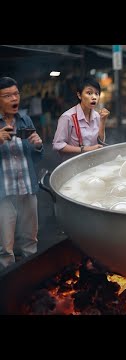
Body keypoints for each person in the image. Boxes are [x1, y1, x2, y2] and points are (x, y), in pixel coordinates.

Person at [0, 77, 44, 271]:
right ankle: (7, 286)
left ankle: (30, 282)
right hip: (4, 194)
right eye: (7, 96)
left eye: (16, 94)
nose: (13, 99)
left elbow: (35, 157)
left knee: (30, 241)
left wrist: (38, 146)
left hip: (27, 189)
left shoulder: (25, 120)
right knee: (5, 247)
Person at [52, 76, 110, 163]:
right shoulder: (68, 117)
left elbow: (100, 142)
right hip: (73, 166)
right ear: (79, 95)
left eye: (97, 93)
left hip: (92, 163)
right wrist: (85, 149)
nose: (94, 97)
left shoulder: (97, 116)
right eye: (89, 93)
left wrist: (103, 121)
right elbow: (58, 145)